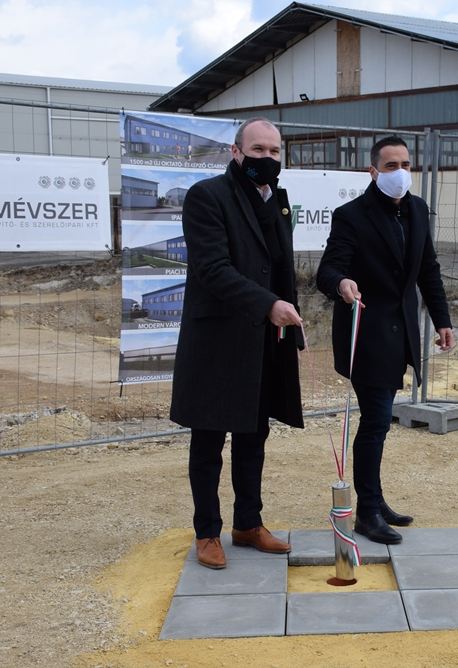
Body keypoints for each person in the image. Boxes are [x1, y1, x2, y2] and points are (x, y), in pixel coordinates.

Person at [170, 118, 304, 569]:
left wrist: (288, 324)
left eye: (274, 151)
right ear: (236, 151)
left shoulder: (278, 200)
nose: (267, 158)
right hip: (217, 340)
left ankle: (248, 523)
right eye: (258, 150)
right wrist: (268, 305)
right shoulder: (207, 196)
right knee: (209, 440)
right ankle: (207, 531)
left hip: (263, 340)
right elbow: (213, 268)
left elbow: (280, 269)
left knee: (254, 435)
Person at [317, 136, 453, 544]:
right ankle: (368, 513)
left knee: (379, 422)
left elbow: (427, 269)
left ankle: (373, 499)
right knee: (376, 421)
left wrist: (442, 320)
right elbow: (328, 270)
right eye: (391, 165)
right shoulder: (351, 215)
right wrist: (342, 283)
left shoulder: (417, 210)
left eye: (406, 164)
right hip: (367, 334)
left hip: (402, 333)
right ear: (373, 171)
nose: (400, 172)